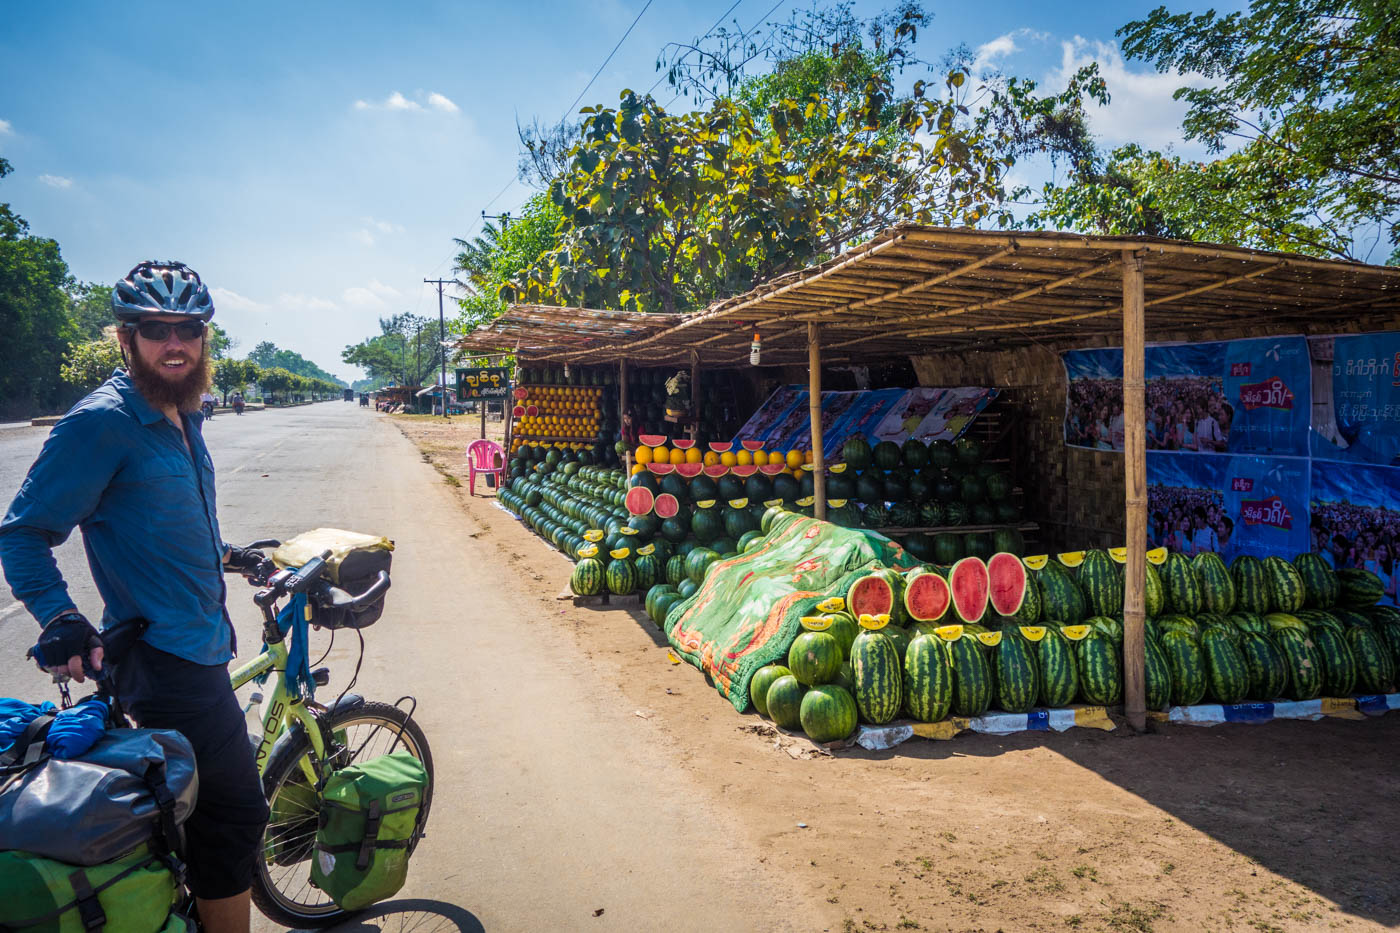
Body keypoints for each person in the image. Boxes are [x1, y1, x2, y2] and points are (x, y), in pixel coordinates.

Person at [0, 261, 269, 933]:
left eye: (188, 330)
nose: (175, 344)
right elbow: (23, 532)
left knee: (187, 820)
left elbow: (163, 520)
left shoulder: (184, 410)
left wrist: (230, 554)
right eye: (156, 330)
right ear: (126, 338)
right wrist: (60, 615)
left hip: (199, 645)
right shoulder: (103, 422)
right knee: (234, 815)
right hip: (166, 662)